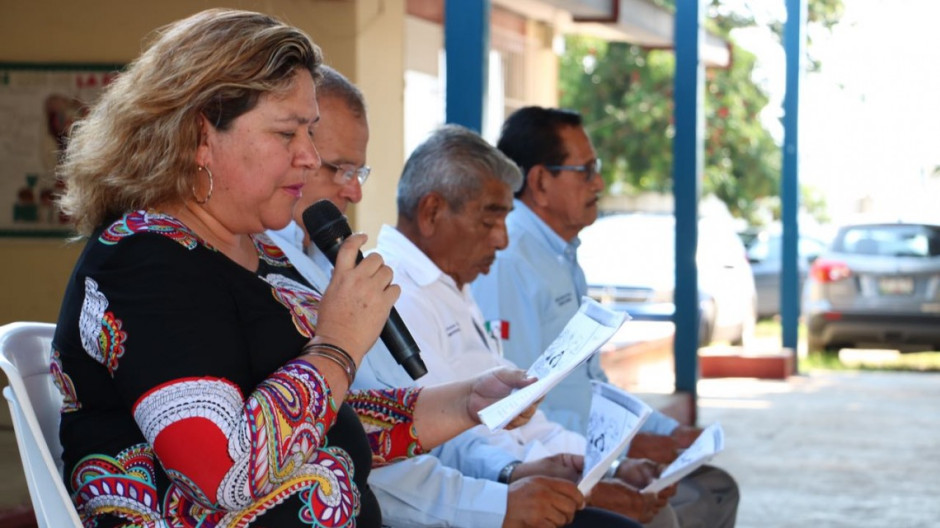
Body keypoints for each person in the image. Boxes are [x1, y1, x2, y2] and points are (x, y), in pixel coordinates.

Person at [50, 10, 538, 528]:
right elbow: (222, 473)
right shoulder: (143, 261)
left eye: (310, 131)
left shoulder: (261, 251)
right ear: (200, 137)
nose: (308, 156)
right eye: (288, 133)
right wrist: (338, 344)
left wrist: (469, 401)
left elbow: (319, 420)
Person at [267, 67, 641, 528]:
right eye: (338, 168)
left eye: (358, 170)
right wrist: (500, 496)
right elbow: (350, 446)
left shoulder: (340, 267)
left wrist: (481, 423)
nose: (356, 189)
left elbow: (387, 421)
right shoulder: (300, 276)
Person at [372, 124, 680, 527]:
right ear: (432, 212)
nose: (502, 240)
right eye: (489, 221)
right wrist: (515, 479)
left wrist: (604, 465)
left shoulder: (450, 285)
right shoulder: (396, 295)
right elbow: (440, 445)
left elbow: (522, 419)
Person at [471, 106, 741, 527]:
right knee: (676, 510)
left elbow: (592, 382)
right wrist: (628, 451)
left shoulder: (561, 254)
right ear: (541, 181)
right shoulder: (509, 261)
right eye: (586, 170)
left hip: (590, 452)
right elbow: (515, 411)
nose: (599, 183)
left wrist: (667, 432)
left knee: (715, 488)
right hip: (551, 464)